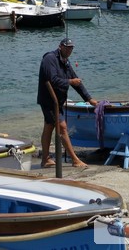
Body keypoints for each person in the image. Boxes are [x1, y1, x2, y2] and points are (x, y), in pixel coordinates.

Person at [37, 37, 97, 169]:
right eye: (67, 47)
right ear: (60, 47)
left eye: (71, 48)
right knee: (62, 127)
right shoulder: (50, 59)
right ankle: (75, 160)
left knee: (49, 127)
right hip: (49, 100)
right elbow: (52, 80)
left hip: (58, 101)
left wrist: (89, 99)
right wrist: (70, 82)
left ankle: (45, 159)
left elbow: (76, 82)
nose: (69, 50)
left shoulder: (66, 62)